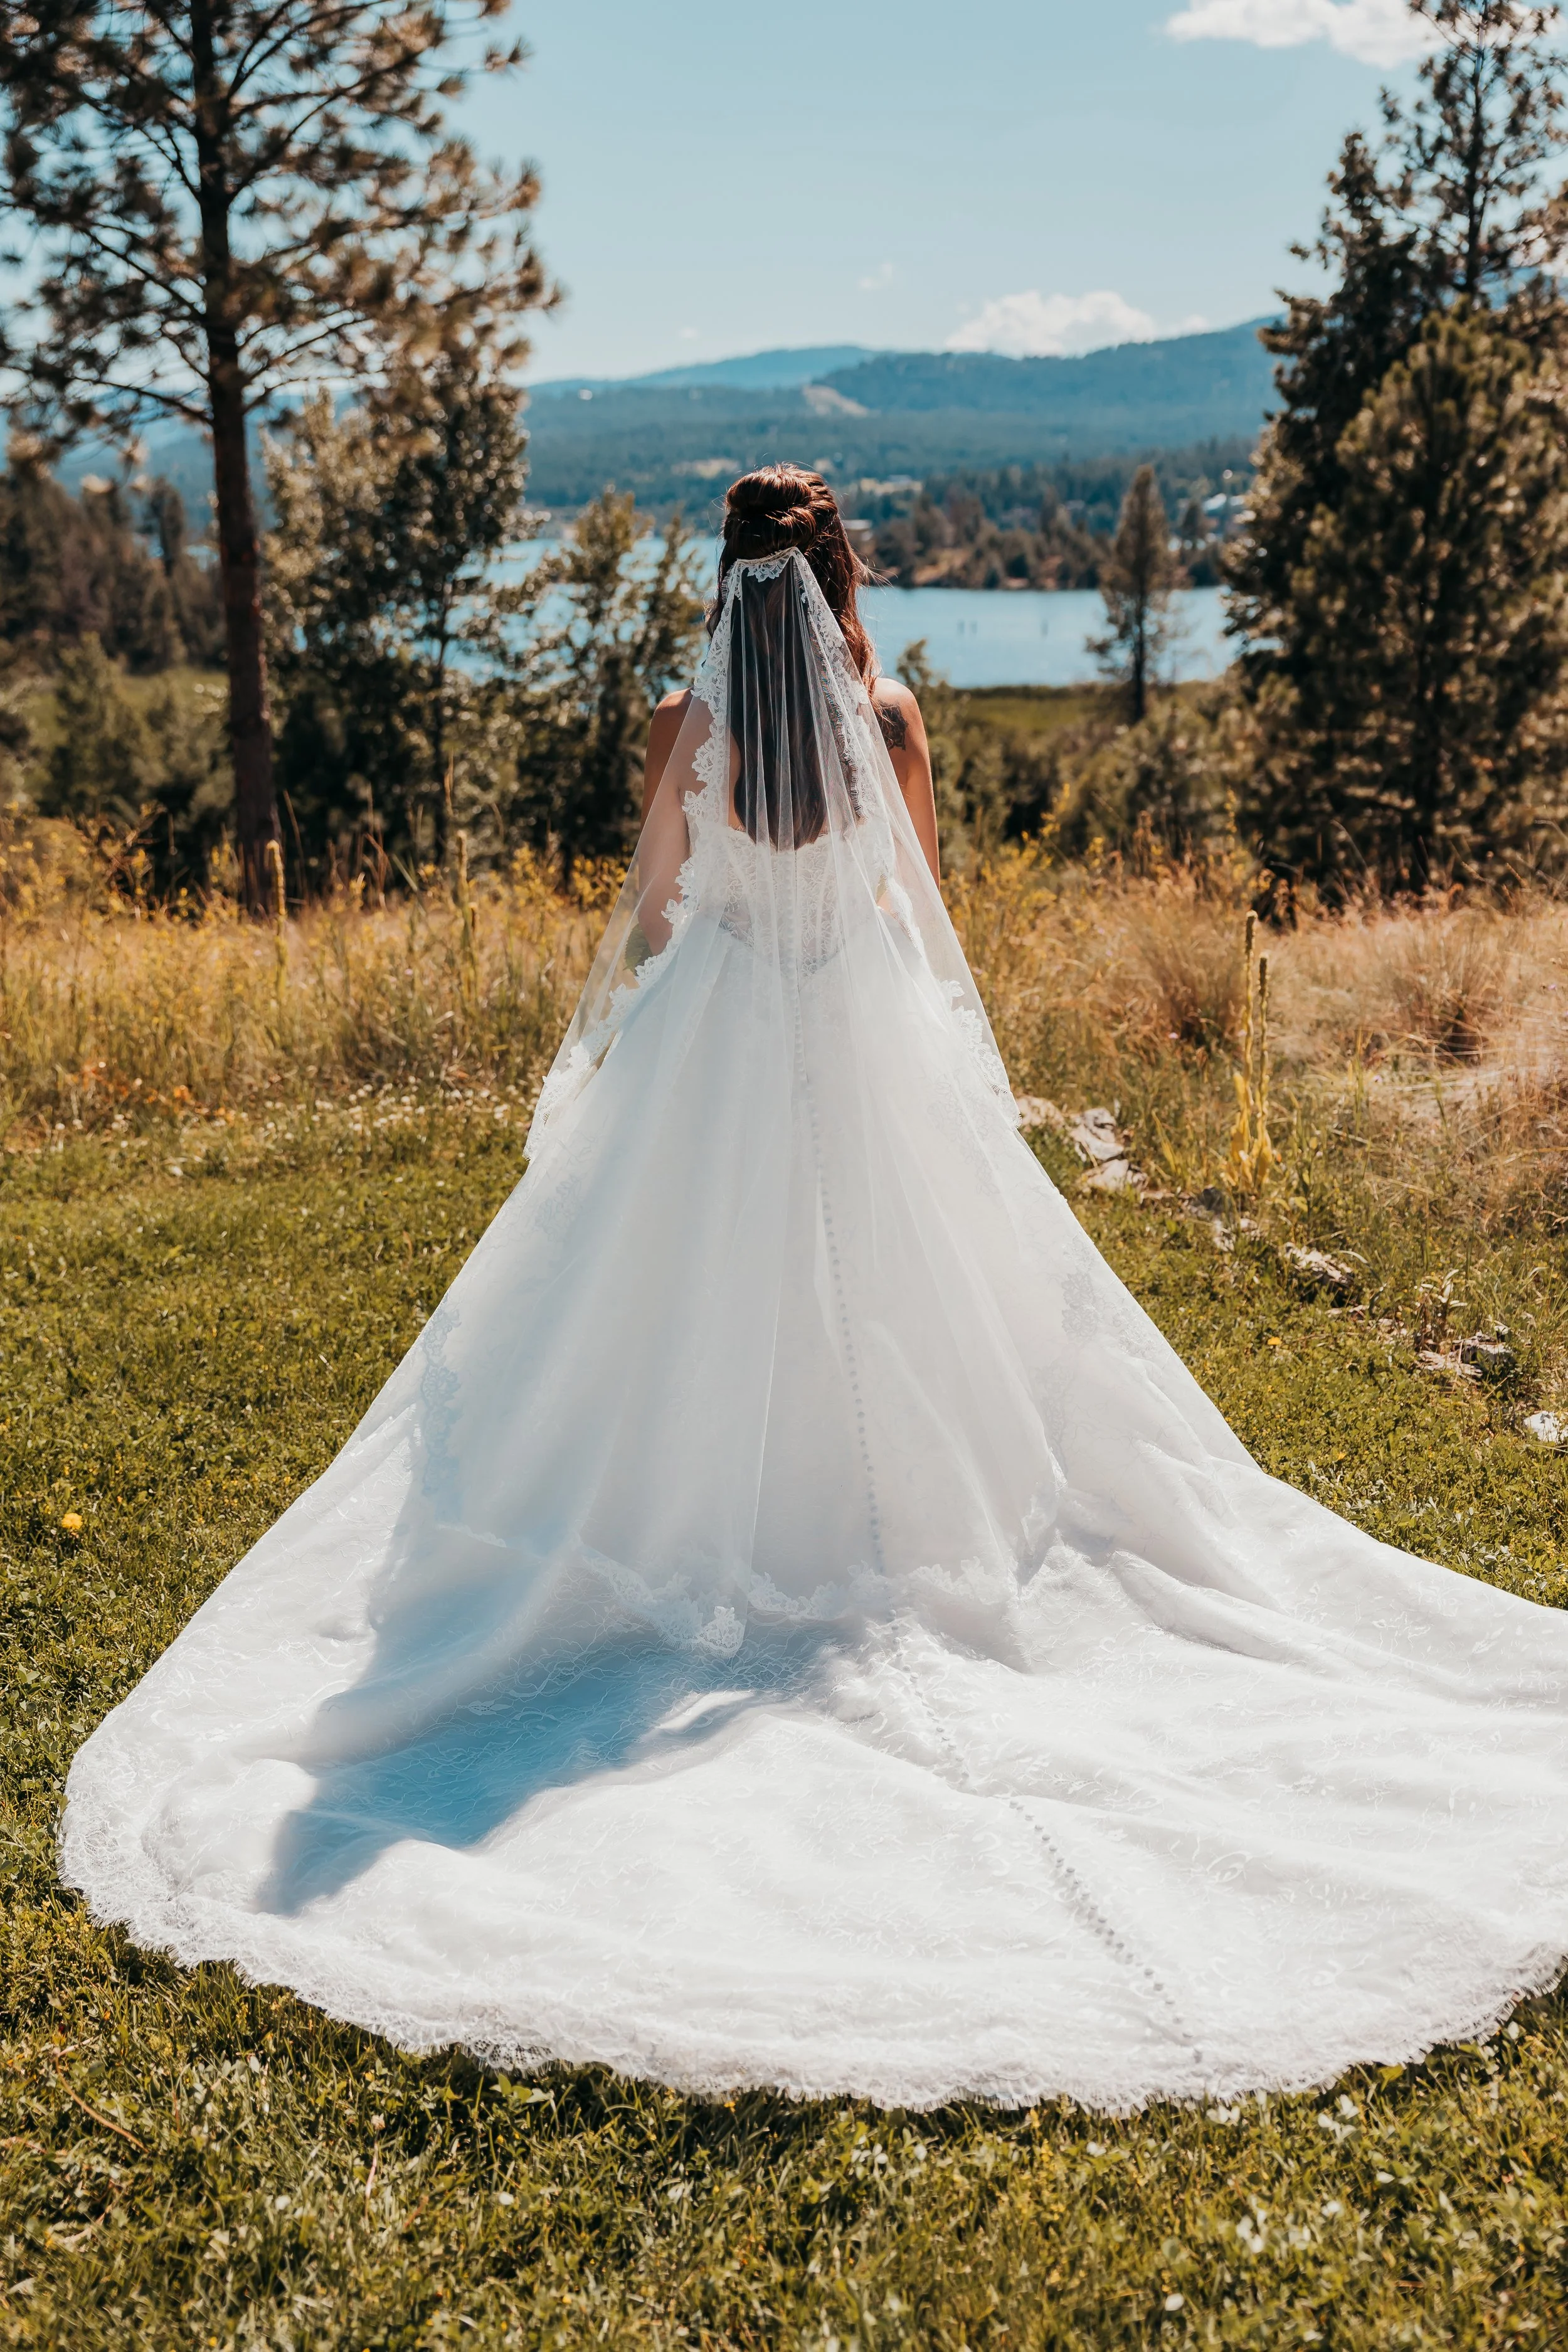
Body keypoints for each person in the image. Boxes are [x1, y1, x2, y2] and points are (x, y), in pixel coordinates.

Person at [63, 465, 1568, 2112]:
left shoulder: (676, 728)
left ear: (723, 587)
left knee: (640, 1328)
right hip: (859, 1040)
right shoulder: (895, 719)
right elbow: (919, 924)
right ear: (838, 576)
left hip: (710, 1042)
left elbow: (650, 917)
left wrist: (716, 930)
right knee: (936, 1330)